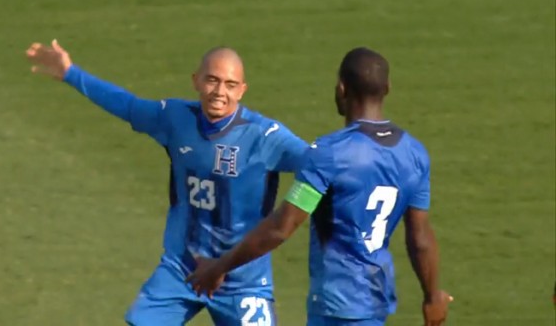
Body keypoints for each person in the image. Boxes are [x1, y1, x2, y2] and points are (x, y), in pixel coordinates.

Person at [26, 40, 309, 325]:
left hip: (242, 281)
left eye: (230, 84)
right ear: (196, 80)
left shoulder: (265, 136)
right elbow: (128, 106)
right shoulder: (175, 118)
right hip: (182, 269)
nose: (220, 92)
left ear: (242, 90)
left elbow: (318, 166)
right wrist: (71, 73)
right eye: (212, 80)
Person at [186, 47, 453, 326]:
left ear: (341, 89)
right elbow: (420, 236)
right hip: (375, 299)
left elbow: (282, 227)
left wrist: (219, 266)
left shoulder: (330, 154)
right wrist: (432, 295)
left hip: (335, 305)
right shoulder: (414, 153)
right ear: (387, 88)